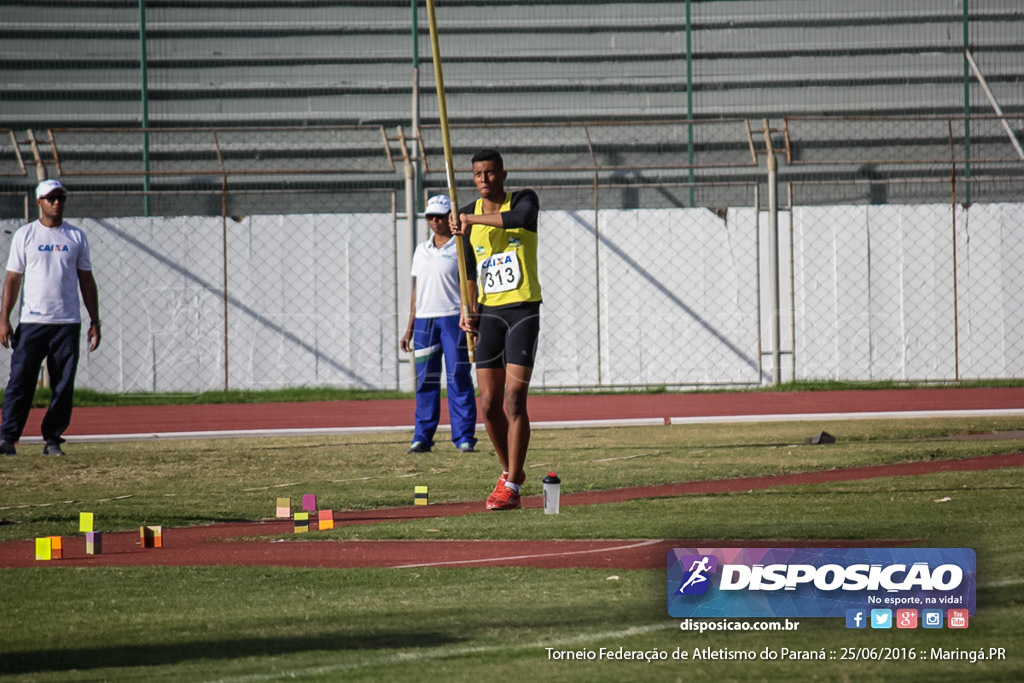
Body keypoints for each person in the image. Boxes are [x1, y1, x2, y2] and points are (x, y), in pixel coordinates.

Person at [451, 149, 541, 510]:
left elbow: (522, 218)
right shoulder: (467, 219)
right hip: (488, 313)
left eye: (490, 173)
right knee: (487, 405)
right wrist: (466, 308)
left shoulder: (523, 199)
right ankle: (510, 474)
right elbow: (470, 270)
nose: (484, 180)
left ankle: (513, 489)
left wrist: (473, 220)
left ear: (503, 174)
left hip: (522, 309)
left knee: (514, 401)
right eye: (477, 174)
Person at [0, 179, 101, 457]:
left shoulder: (76, 236)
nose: (57, 203)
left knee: (63, 384)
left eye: (61, 198)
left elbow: (86, 280)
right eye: (51, 198)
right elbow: (12, 279)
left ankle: (53, 438)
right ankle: (8, 438)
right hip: (32, 322)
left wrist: (95, 321)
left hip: (67, 323)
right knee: (20, 380)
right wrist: (4, 319)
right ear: (39, 202)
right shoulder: (26, 235)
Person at [400, 194, 478, 454]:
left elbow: (469, 283)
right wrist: (409, 327)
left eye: (440, 216)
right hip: (424, 322)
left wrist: (467, 313)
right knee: (426, 380)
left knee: (458, 377)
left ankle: (464, 437)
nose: (435, 221)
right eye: (430, 216)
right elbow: (417, 289)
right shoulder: (421, 250)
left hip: (452, 319)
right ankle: (422, 437)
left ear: (450, 218)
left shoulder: (460, 246)